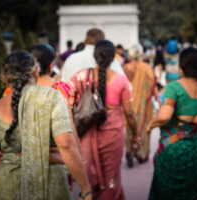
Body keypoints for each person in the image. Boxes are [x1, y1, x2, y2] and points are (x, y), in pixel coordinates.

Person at [0, 50, 92, 200]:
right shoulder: (52, 97)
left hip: (10, 186)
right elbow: (66, 145)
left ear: (4, 77)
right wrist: (85, 189)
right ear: (36, 72)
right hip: (50, 183)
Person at [147, 47, 197, 199]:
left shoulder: (174, 87)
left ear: (181, 67)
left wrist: (150, 125)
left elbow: (164, 117)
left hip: (176, 151)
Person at [68, 40, 139, 200]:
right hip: (113, 136)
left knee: (94, 179)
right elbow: (130, 114)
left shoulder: (81, 76)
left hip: (87, 133)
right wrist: (135, 135)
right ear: (113, 58)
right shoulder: (121, 80)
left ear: (95, 56)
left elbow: (65, 97)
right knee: (111, 179)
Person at [123, 44, 159, 166]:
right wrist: (158, 100)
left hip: (128, 104)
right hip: (144, 105)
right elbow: (153, 84)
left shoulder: (124, 68)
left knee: (129, 128)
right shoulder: (146, 67)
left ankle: (129, 150)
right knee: (143, 129)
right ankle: (141, 153)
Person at [61, 28, 125, 82]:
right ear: (103, 43)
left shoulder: (71, 59)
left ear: (85, 42)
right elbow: (124, 84)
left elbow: (63, 84)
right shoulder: (110, 60)